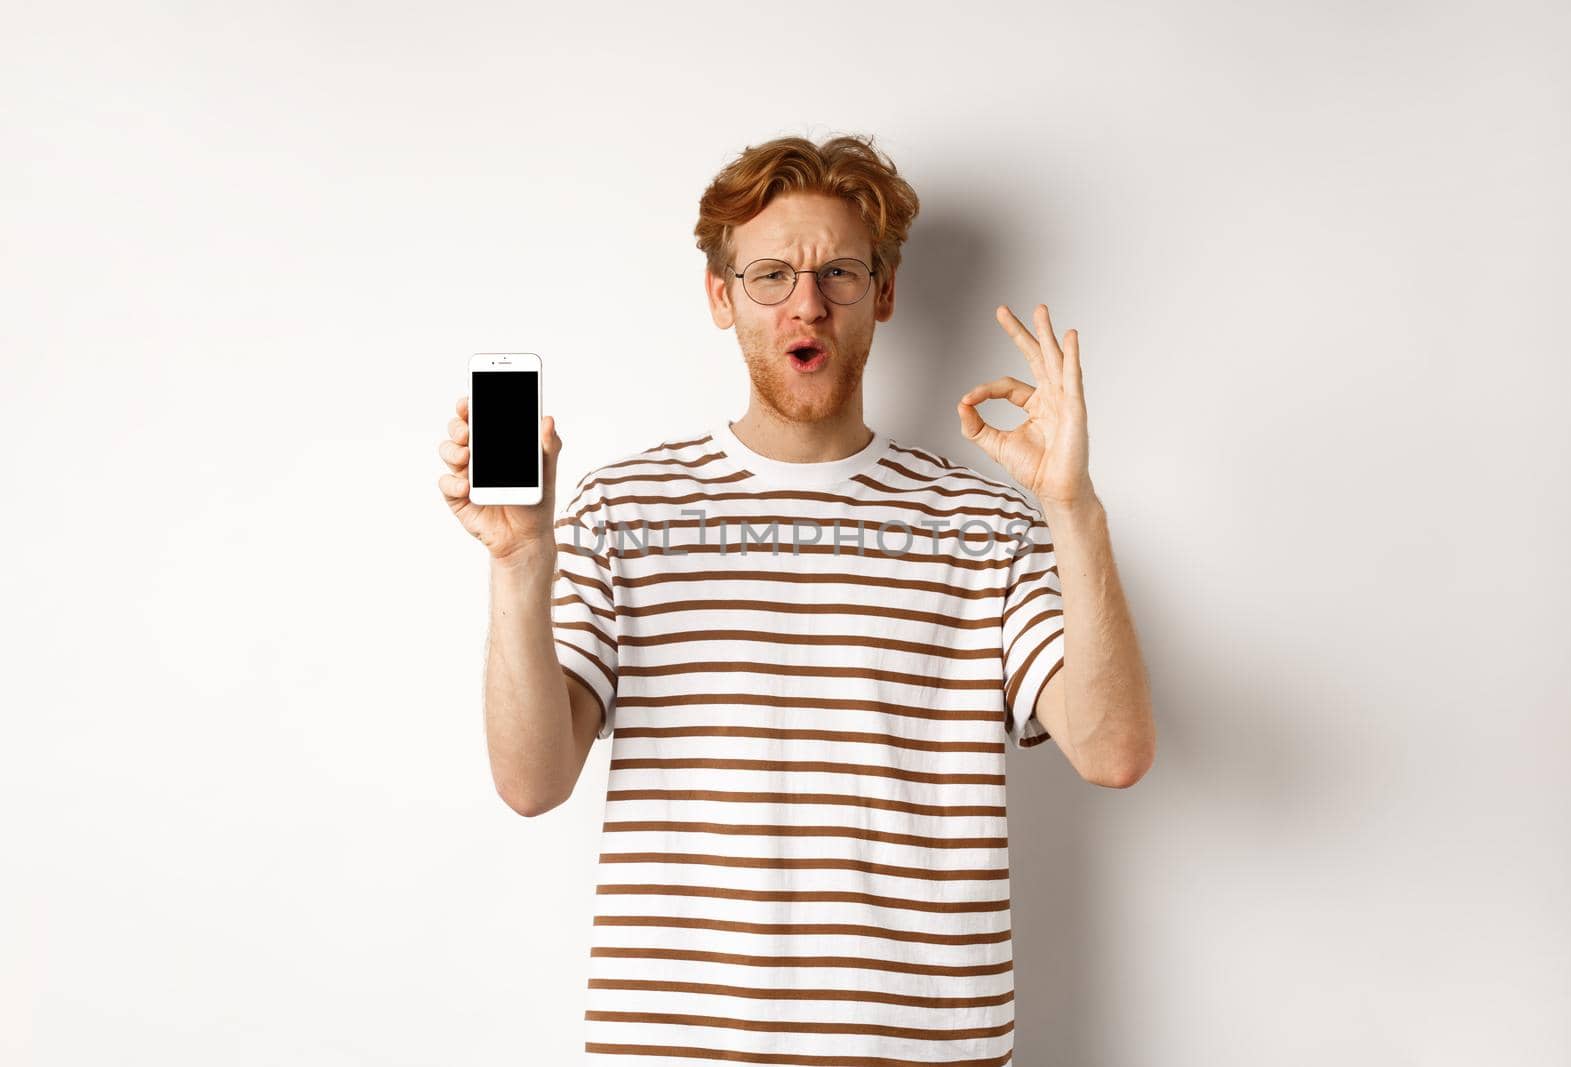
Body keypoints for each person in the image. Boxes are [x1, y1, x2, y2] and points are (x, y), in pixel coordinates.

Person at [437, 132, 1155, 1064]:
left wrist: (1072, 504)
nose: (804, 304)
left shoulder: (983, 520)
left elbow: (1114, 751)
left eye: (841, 274)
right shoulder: (623, 509)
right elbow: (532, 783)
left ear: (884, 293)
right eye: (770, 274)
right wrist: (519, 560)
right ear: (721, 297)